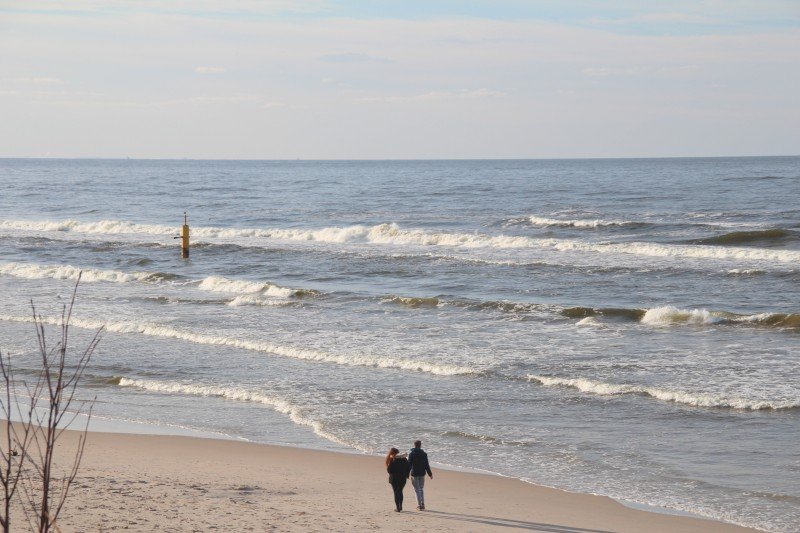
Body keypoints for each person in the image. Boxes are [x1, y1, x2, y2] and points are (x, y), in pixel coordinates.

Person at [407, 440, 433, 510]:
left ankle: (419, 505)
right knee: (421, 489)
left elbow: (409, 465)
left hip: (414, 473)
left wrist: (406, 474)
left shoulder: (411, 454)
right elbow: (426, 465)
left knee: (417, 489)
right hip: (422, 473)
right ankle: (422, 504)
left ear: (414, 445)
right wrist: (430, 474)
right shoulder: (424, 454)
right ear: (420, 445)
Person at [385, 447, 410, 512]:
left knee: (396, 492)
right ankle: (400, 506)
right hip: (403, 478)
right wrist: (407, 475)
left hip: (394, 478)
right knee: (400, 491)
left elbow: (389, 470)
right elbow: (408, 468)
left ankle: (397, 508)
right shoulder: (404, 459)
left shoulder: (392, 459)